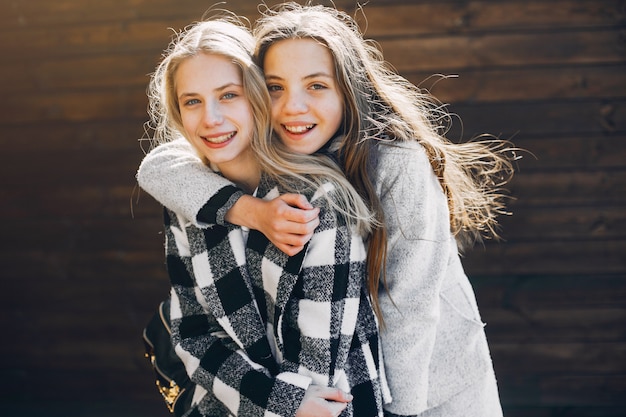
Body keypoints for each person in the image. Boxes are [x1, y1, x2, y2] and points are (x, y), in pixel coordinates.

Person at [138, 3, 516, 416]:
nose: (293, 107)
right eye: (276, 87)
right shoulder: (252, 162)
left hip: (434, 382)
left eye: (316, 86)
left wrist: (403, 411)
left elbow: (410, 309)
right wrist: (248, 210)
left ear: (348, 89)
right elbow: (162, 165)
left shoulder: (394, 165)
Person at [141, 15, 388, 417]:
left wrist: (283, 403)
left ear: (258, 96)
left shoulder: (318, 204)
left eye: (228, 95)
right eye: (193, 102)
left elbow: (318, 378)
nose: (211, 119)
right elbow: (193, 332)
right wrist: (278, 401)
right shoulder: (187, 199)